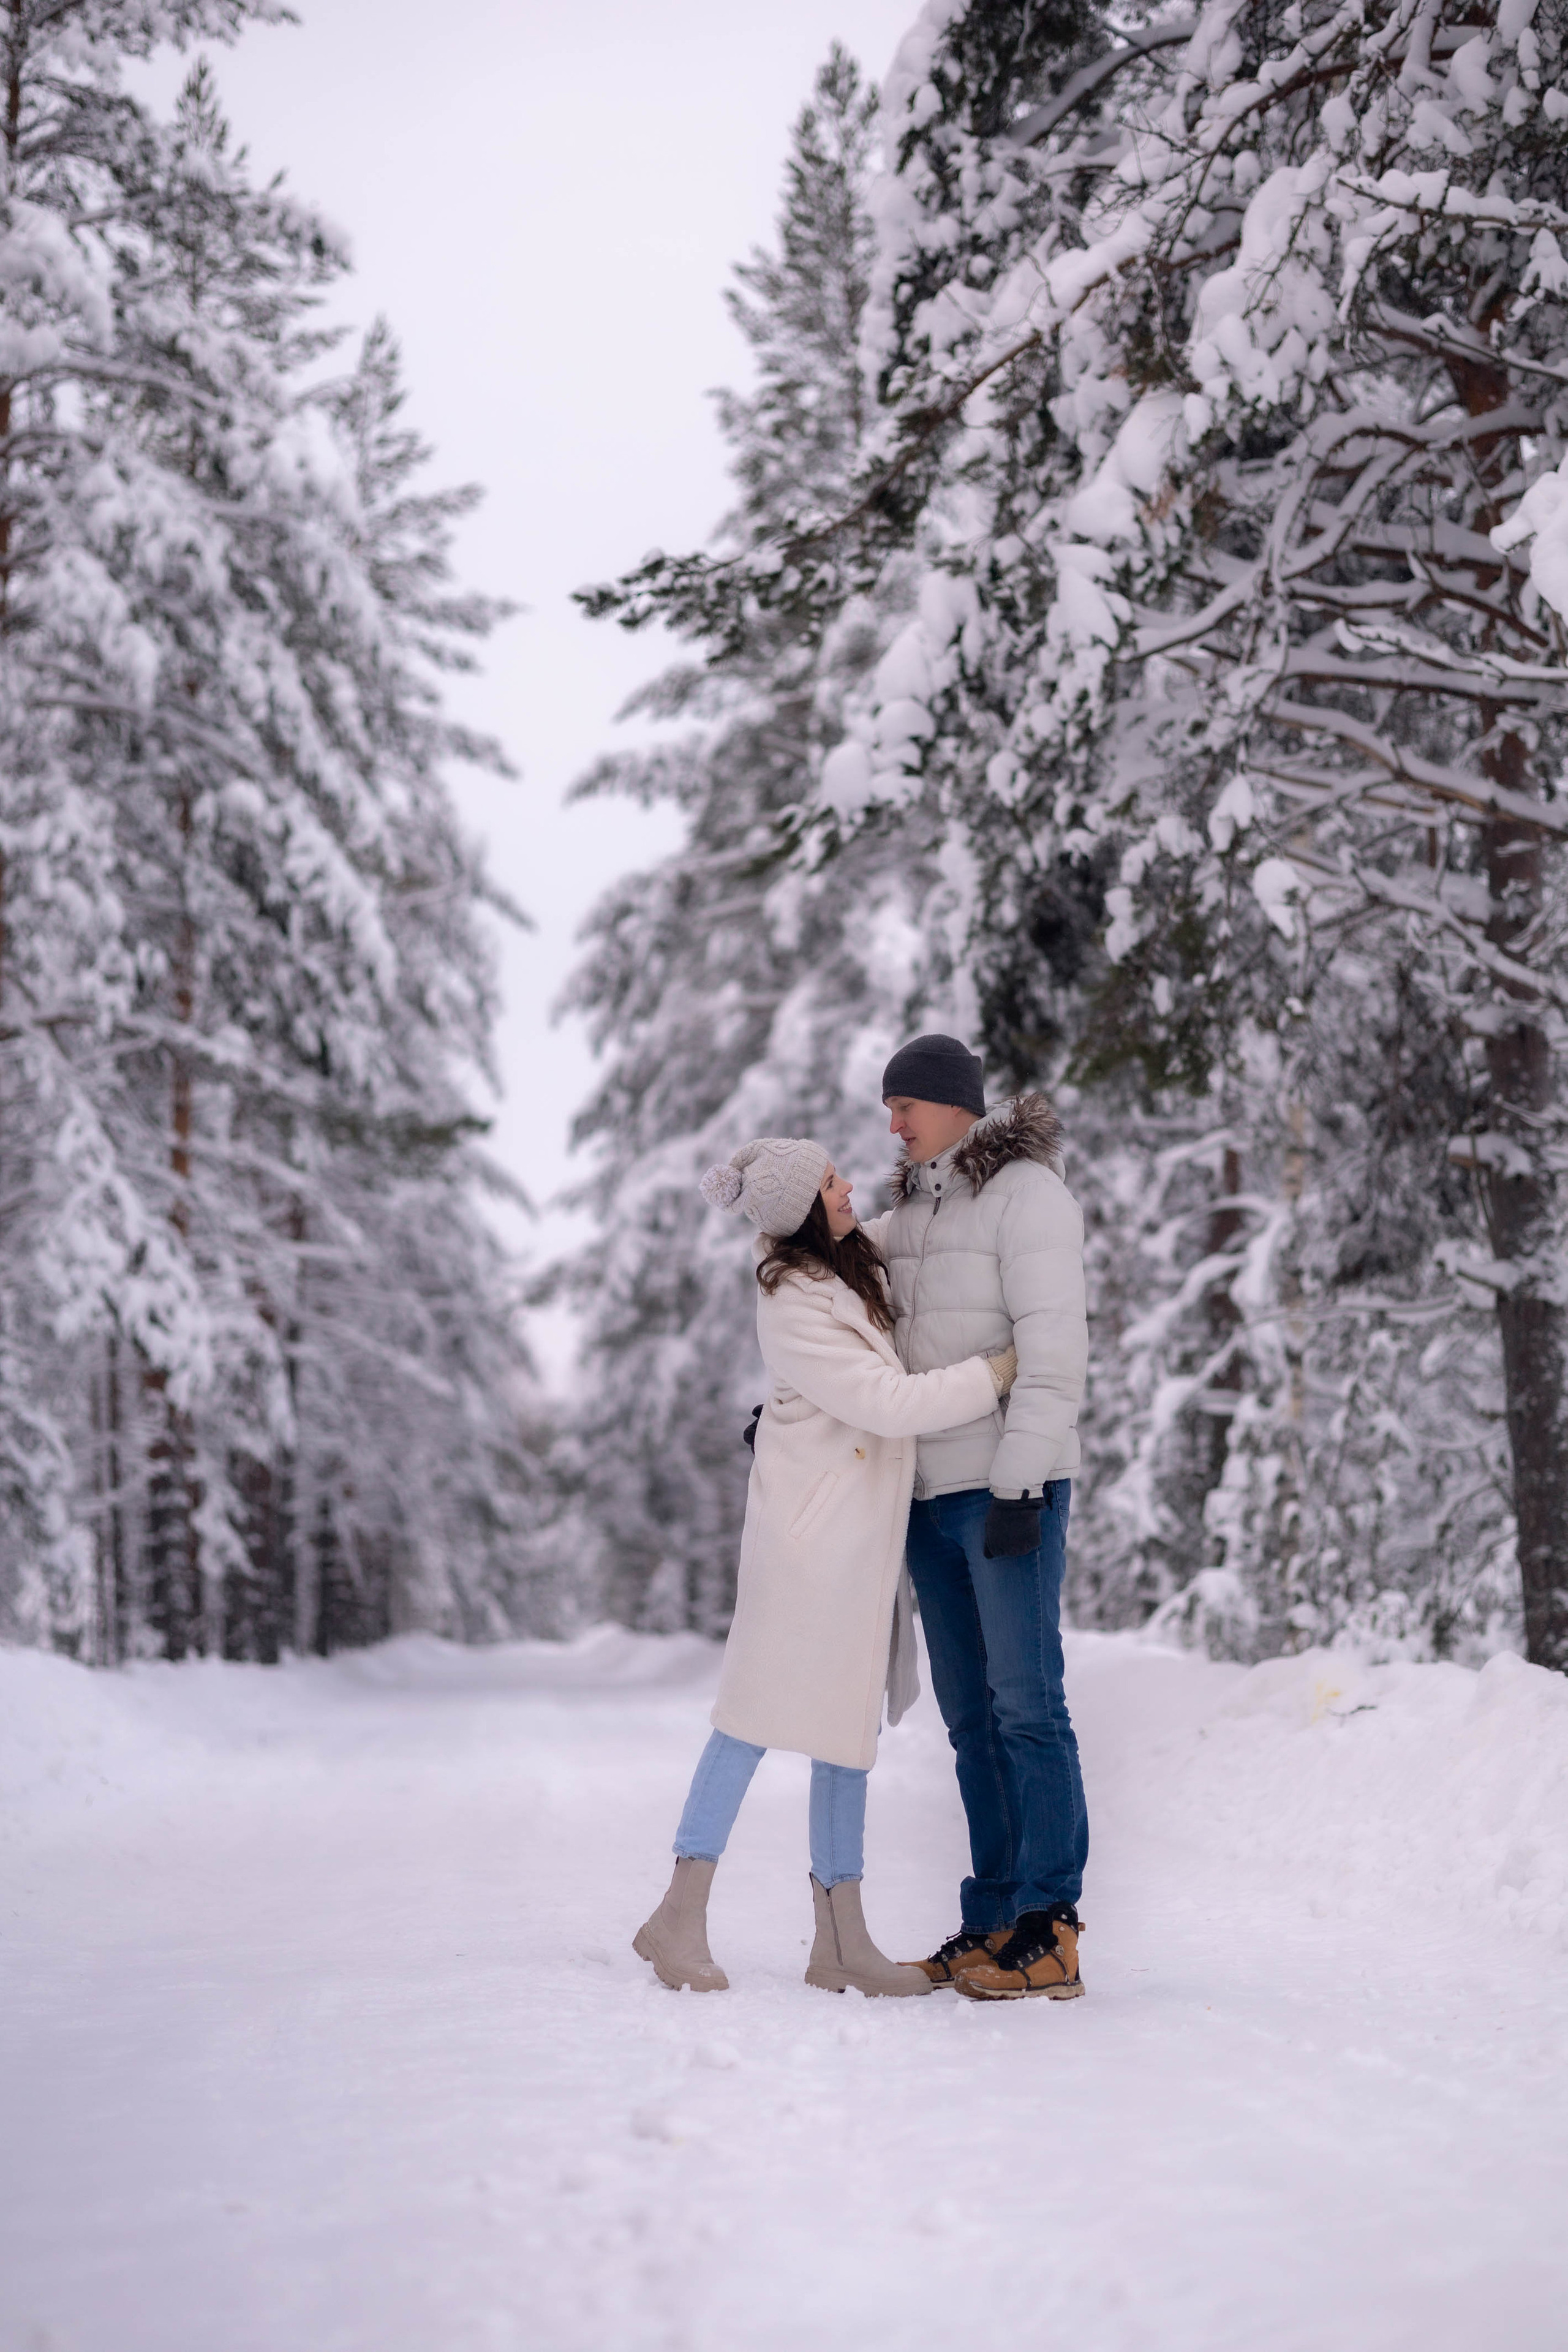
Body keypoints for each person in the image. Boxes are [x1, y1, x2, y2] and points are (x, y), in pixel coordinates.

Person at [633, 1134, 1018, 1998]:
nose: (849, 1189)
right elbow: (886, 1403)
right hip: (808, 1548)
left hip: (856, 1547)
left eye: (842, 1176)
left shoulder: (847, 1260)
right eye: (833, 1184)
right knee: (749, 1723)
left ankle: (840, 1941)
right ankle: (676, 1918)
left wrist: (962, 1183)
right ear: (803, 1211)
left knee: (847, 1735)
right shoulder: (795, 1302)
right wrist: (995, 1374)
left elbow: (910, 1230)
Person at [863, 1033, 1090, 2002]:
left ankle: (1052, 1926)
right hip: (926, 1499)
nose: (894, 1123)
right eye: (888, 1109)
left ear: (955, 1104)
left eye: (906, 1105)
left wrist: (1019, 1483)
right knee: (970, 1721)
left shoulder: (1029, 1196)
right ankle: (995, 1918)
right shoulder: (910, 1210)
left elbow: (1053, 1353)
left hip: (1008, 1492)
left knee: (1027, 1707)